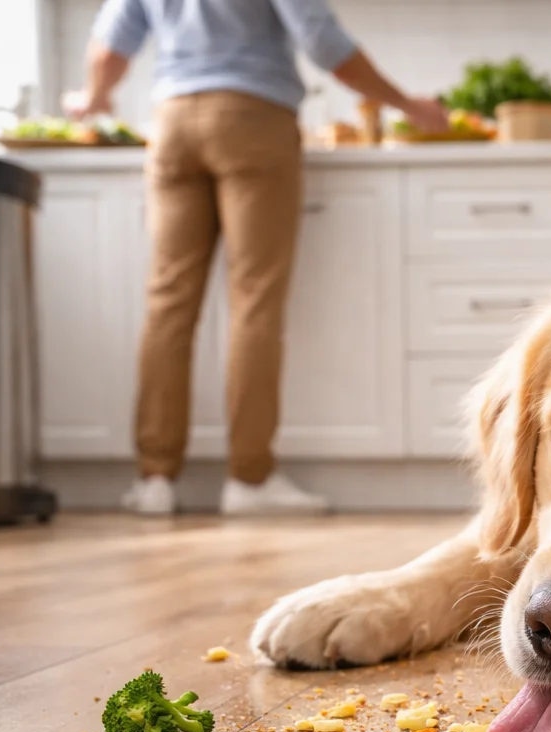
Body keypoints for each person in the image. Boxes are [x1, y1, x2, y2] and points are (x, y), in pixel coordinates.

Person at [65, 0, 447, 515]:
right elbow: (323, 41)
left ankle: (154, 480)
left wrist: (94, 96)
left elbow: (109, 48)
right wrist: (406, 104)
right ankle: (249, 478)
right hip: (253, 117)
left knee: (167, 304)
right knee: (254, 303)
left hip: (172, 123)